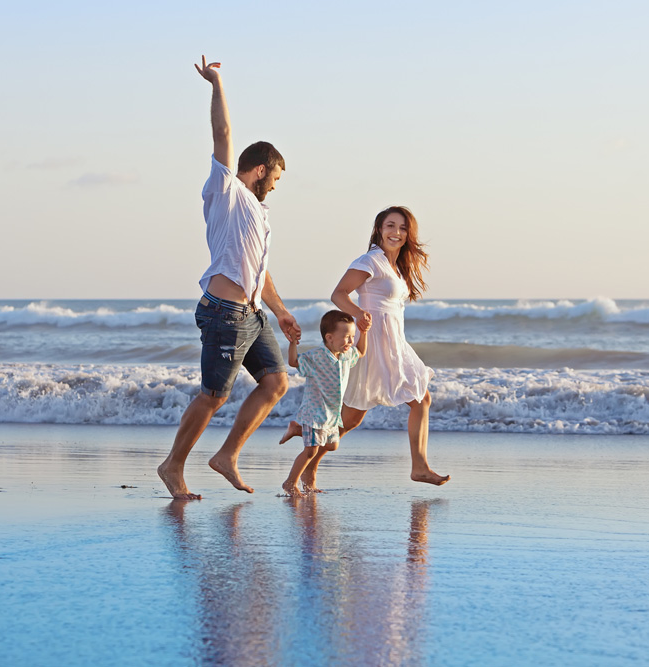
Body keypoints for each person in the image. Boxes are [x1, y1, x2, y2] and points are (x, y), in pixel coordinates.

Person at [157, 56, 301, 500]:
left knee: (277, 382)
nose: (274, 186)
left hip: (251, 314)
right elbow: (222, 134)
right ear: (259, 170)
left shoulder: (258, 212)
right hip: (223, 313)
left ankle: (226, 456)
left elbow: (258, 268)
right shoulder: (227, 192)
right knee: (214, 395)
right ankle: (173, 466)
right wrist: (216, 83)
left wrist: (280, 312)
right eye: (273, 178)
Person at [283, 206, 450, 489]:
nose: (396, 232)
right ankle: (307, 465)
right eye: (390, 226)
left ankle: (418, 467)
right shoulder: (371, 260)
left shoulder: (396, 268)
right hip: (372, 344)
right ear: (379, 229)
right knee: (351, 418)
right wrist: (358, 314)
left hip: (394, 343)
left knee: (412, 401)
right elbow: (338, 293)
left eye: (402, 228)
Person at [281, 310, 368, 497]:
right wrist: (293, 343)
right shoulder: (317, 356)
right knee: (311, 451)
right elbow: (293, 361)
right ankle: (290, 483)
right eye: (346, 337)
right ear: (329, 337)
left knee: (332, 446)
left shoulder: (346, 355)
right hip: (315, 412)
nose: (351, 341)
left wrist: (364, 332)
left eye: (352, 336)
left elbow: (360, 352)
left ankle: (297, 429)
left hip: (331, 413)